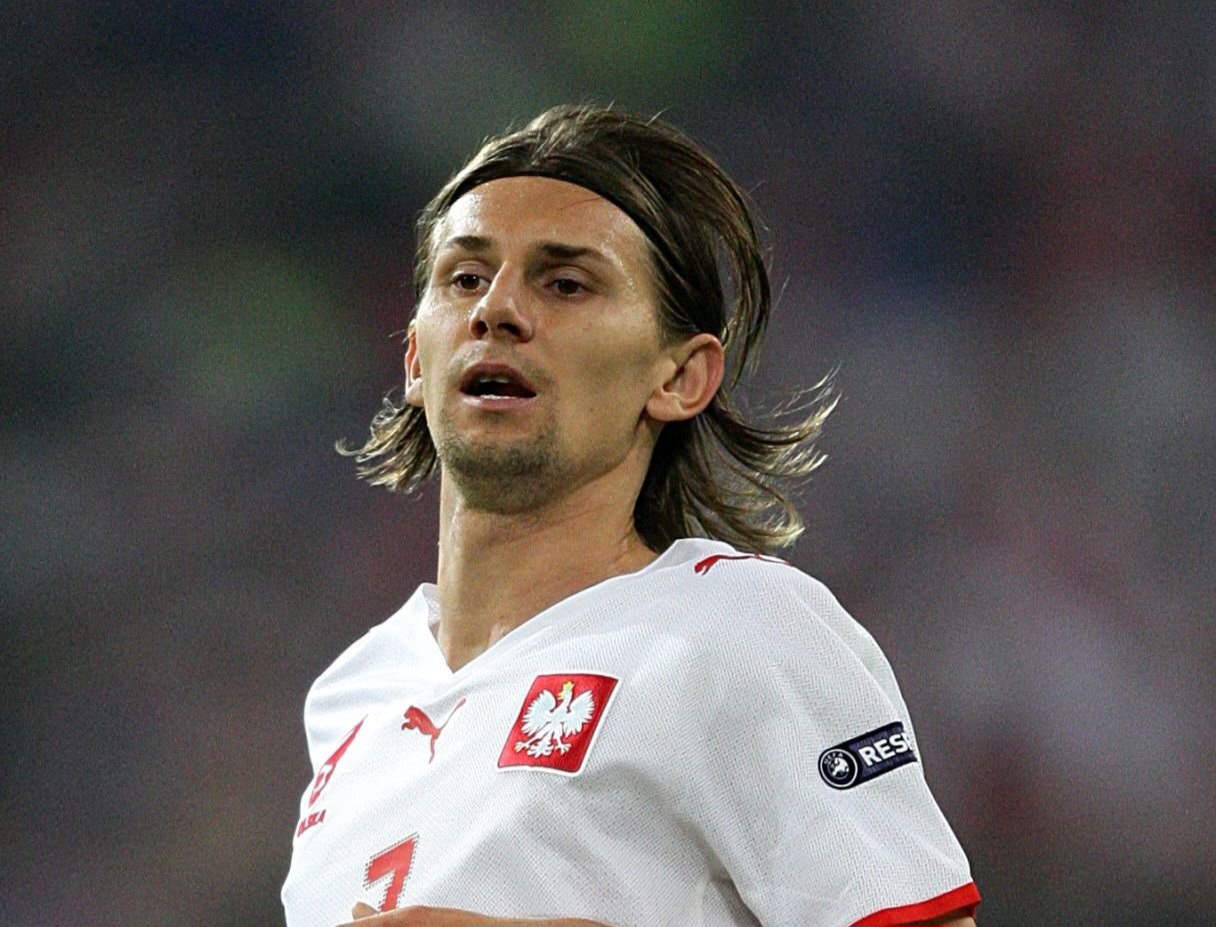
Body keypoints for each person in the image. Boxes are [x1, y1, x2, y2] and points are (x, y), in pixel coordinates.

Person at [281, 104, 979, 927]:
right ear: (412, 358)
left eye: (565, 283)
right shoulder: (352, 698)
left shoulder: (739, 628)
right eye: (465, 277)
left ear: (680, 377)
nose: (496, 309)